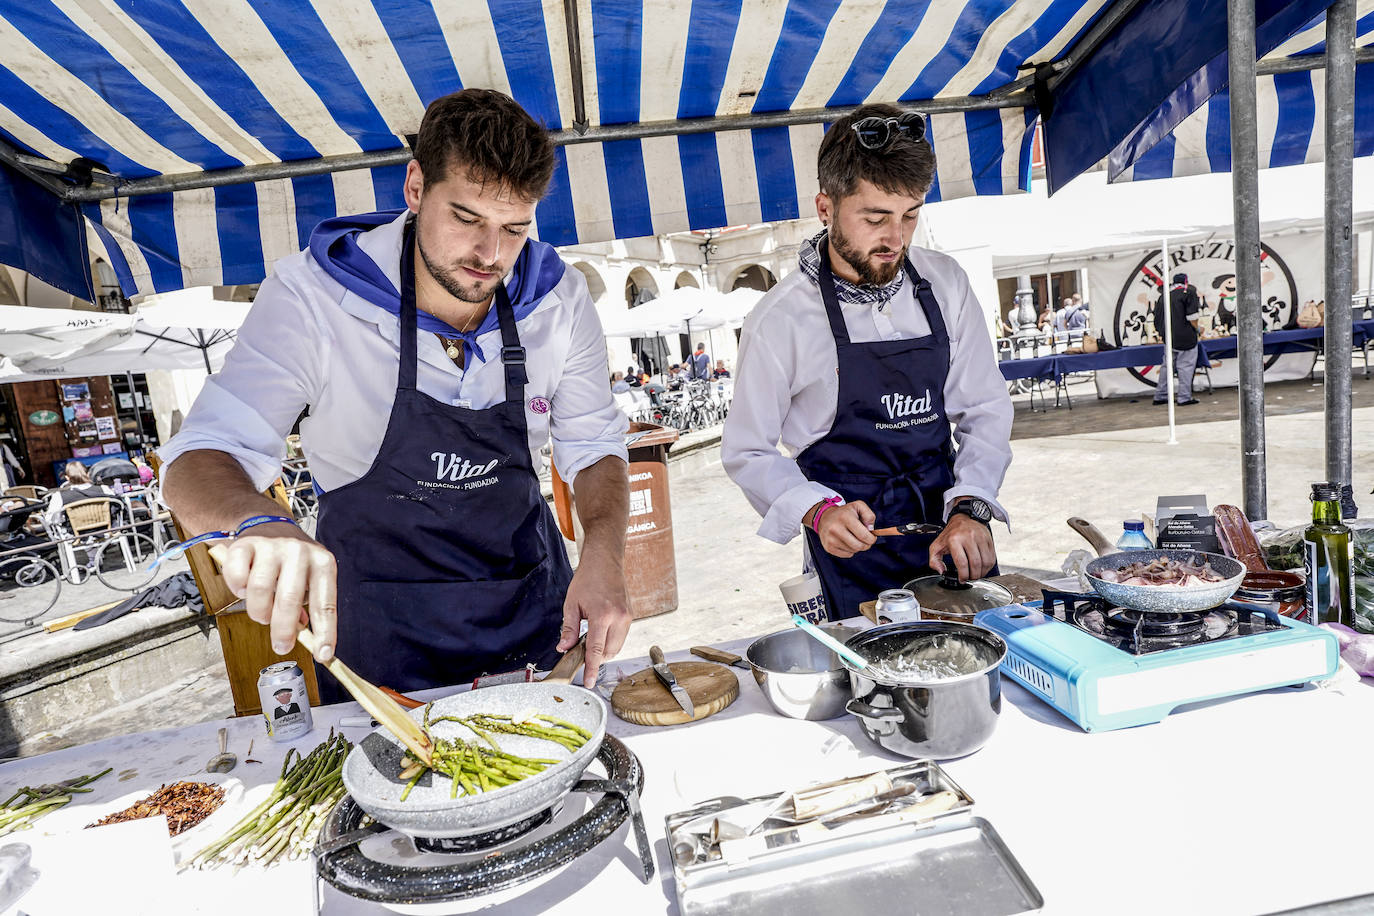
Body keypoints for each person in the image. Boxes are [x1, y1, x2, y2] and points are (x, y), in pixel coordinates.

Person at [158, 89, 632, 697]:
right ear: (415, 188)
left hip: (532, 625)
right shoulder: (315, 298)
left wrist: (605, 554)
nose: (491, 255)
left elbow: (593, 446)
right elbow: (200, 455)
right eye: (466, 219)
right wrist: (258, 521)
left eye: (514, 228)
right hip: (381, 647)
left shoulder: (556, 298)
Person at [722, 104, 1014, 621]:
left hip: (950, 534)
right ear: (825, 208)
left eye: (910, 215)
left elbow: (985, 409)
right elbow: (747, 449)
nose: (896, 239)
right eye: (875, 218)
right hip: (850, 548)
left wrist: (972, 507)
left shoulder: (945, 283)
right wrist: (815, 508)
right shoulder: (781, 319)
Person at [1152, 272, 1202, 406]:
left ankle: (1160, 395)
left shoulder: (1164, 296)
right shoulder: (1189, 292)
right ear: (1186, 281)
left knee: (1166, 367)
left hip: (1169, 337)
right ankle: (1184, 397)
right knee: (1185, 367)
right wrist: (1198, 329)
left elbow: (1156, 319)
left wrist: (1162, 333)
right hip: (1186, 337)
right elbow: (1192, 317)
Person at [42, 461, 115, 533]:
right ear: (88, 474)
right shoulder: (104, 489)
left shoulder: (60, 496)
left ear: (67, 478)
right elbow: (117, 507)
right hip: (107, 530)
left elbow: (51, 520)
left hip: (78, 536)